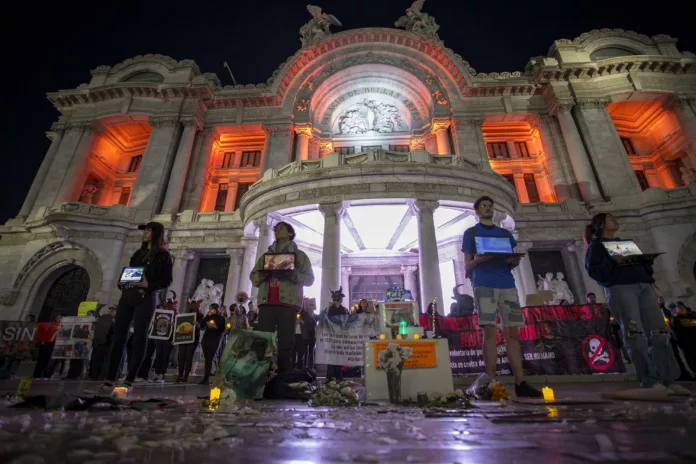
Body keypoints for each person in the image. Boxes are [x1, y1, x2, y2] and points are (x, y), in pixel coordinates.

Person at [584, 213, 688, 395]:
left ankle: (668, 378)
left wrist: (646, 264)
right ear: (601, 225)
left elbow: (645, 268)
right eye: (609, 218)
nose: (614, 220)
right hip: (620, 287)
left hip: (643, 285)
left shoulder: (626, 243)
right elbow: (595, 272)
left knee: (659, 331)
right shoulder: (596, 247)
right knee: (634, 332)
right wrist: (612, 261)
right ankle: (649, 379)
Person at [462, 196, 543, 398]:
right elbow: (467, 265)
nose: (488, 208)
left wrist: (514, 262)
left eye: (490, 205)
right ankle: (490, 382)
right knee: (489, 333)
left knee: (513, 334)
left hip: (507, 284)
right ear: (477, 212)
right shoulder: (471, 233)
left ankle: (520, 382)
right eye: (483, 206)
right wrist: (480, 259)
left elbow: (509, 260)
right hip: (483, 284)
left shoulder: (505, 234)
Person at [89, 222, 173, 394]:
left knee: (140, 337)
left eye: (149, 230)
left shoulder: (163, 255)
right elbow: (130, 272)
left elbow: (167, 280)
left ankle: (130, 378)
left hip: (146, 297)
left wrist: (148, 284)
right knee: (119, 336)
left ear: (156, 233)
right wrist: (123, 281)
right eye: (145, 231)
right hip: (127, 296)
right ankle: (110, 378)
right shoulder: (137, 254)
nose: (145, 233)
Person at [250, 221, 315, 373]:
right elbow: (253, 277)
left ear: (290, 233)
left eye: (281, 228)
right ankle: (260, 377)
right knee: (263, 340)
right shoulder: (267, 255)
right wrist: (262, 274)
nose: (277, 230)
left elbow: (310, 280)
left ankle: (284, 376)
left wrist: (293, 275)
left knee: (286, 342)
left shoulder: (300, 256)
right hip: (266, 302)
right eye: (276, 228)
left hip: (288, 303)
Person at [325, 287, 349, 382]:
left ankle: (338, 376)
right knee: (331, 356)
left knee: (339, 356)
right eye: (335, 298)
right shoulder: (328, 309)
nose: (337, 300)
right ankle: (330, 376)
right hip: (331, 336)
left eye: (338, 298)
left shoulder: (344, 310)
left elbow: (347, 322)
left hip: (340, 336)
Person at [199, 303, 226, 384]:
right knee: (206, 358)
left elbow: (222, 329)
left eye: (212, 309)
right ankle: (205, 378)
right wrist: (206, 316)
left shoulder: (221, 318)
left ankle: (206, 378)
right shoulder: (208, 316)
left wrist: (216, 327)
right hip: (206, 338)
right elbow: (202, 325)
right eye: (210, 308)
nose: (211, 310)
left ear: (216, 309)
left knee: (209, 359)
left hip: (214, 339)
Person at [177, 307, 203, 383]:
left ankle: (185, 376)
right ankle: (180, 375)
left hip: (192, 340)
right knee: (181, 358)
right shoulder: (184, 316)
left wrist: (198, 324)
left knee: (189, 358)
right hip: (183, 339)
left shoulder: (200, 316)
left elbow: (202, 326)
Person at [90, 307, 116, 381]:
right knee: (97, 361)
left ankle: (101, 377)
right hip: (100, 343)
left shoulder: (115, 321)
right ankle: (95, 377)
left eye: (112, 311)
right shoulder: (104, 319)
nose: (110, 312)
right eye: (110, 311)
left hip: (108, 344)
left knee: (105, 361)